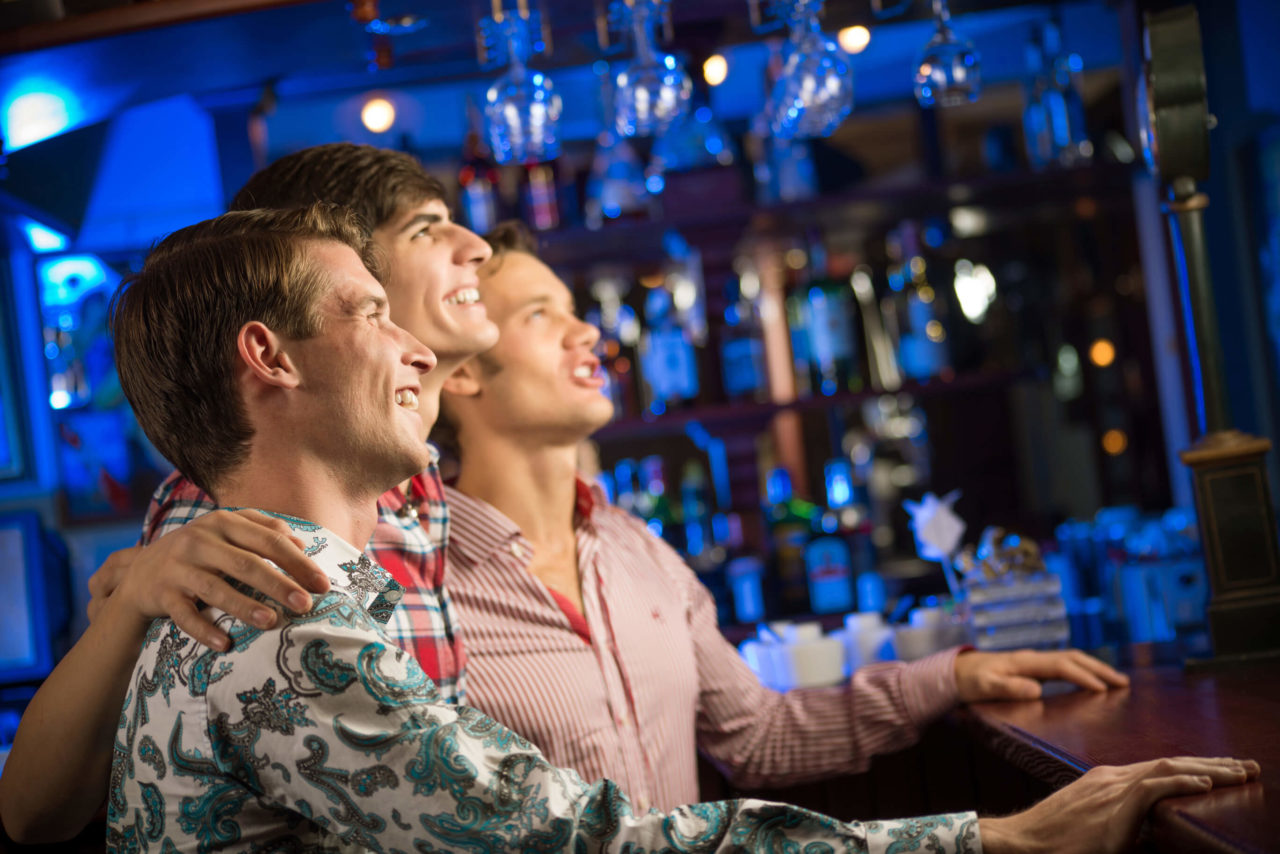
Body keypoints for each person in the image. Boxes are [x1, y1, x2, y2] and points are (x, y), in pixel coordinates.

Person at [102, 202, 1010, 851]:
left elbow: (748, 737)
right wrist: (997, 842)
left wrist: (952, 679)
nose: (420, 349)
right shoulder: (286, 625)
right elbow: (581, 837)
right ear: (268, 356)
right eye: (374, 313)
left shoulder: (277, 594)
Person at [429, 221, 1129, 811]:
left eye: (573, 308)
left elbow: (759, 737)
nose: (585, 331)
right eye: (538, 315)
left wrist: (949, 678)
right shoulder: (422, 593)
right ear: (460, 371)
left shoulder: (638, 553)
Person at [0, 143, 497, 842]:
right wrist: (136, 599)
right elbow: (36, 809)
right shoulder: (230, 506)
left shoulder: (414, 481)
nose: (476, 247)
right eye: (425, 229)